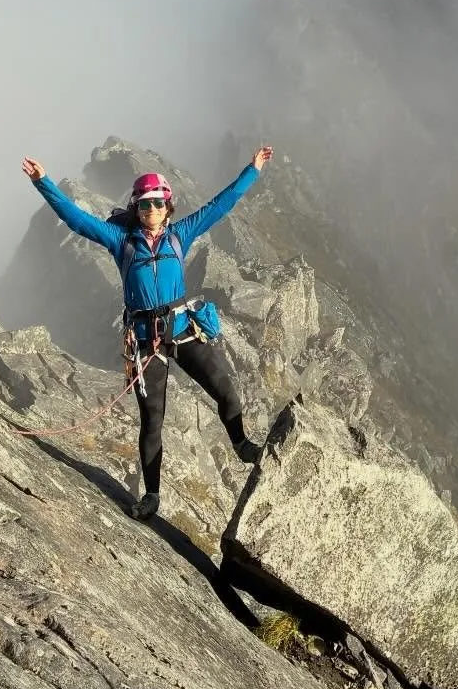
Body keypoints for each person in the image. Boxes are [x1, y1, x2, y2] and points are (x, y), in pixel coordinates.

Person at [20, 147, 273, 520]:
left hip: (184, 330)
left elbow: (221, 206)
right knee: (153, 419)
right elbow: (76, 219)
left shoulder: (179, 235)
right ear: (135, 208)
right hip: (145, 342)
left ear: (167, 206)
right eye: (144, 205)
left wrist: (252, 171)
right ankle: (152, 496)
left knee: (225, 388)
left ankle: (241, 444)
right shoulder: (120, 241)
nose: (151, 211)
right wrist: (44, 183)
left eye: (157, 204)